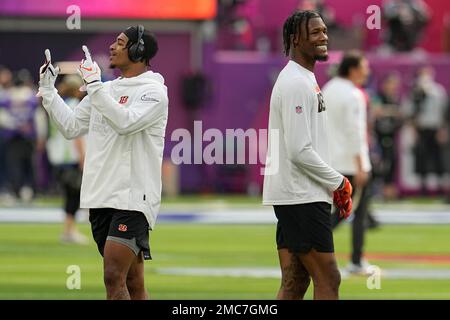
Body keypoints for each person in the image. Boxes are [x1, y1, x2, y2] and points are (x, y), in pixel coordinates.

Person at [36, 25, 169, 300]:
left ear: (138, 50)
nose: (112, 47)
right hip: (100, 195)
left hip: (132, 197)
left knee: (112, 276)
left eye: (120, 43)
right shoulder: (106, 89)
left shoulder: (154, 92)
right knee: (133, 282)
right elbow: (71, 126)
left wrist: (95, 86)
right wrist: (48, 91)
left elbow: (126, 122)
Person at [263, 10, 353, 300]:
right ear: (295, 39)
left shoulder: (304, 78)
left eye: (324, 31)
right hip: (302, 196)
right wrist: (339, 182)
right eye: (315, 32)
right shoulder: (296, 83)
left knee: (295, 282)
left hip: (296, 195)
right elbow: (299, 149)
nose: (323, 36)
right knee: (329, 279)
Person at [323, 50, 374, 274]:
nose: (367, 71)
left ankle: (308, 246)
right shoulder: (353, 94)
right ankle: (355, 260)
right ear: (353, 69)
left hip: (330, 161)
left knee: (341, 211)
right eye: (364, 66)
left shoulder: (328, 89)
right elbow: (355, 132)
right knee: (353, 213)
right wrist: (361, 165)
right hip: (351, 163)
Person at [38, 74, 88, 244]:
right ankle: (69, 230)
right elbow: (77, 134)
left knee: (70, 194)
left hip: (57, 155)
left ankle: (69, 229)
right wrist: (82, 156)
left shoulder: (56, 105)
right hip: (70, 156)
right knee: (74, 195)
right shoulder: (74, 105)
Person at [409, 66, 447, 195]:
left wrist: (442, 129)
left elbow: (443, 111)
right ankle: (423, 187)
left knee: (437, 157)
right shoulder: (416, 91)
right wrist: (414, 129)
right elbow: (411, 112)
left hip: (435, 128)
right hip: (422, 128)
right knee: (421, 156)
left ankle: (441, 186)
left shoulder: (438, 91)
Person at [372, 72, 403, 200]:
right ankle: (380, 191)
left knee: (392, 163)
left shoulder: (395, 98)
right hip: (379, 136)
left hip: (391, 136)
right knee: (381, 164)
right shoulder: (378, 97)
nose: (393, 87)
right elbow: (376, 112)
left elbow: (400, 115)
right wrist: (391, 111)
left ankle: (389, 191)